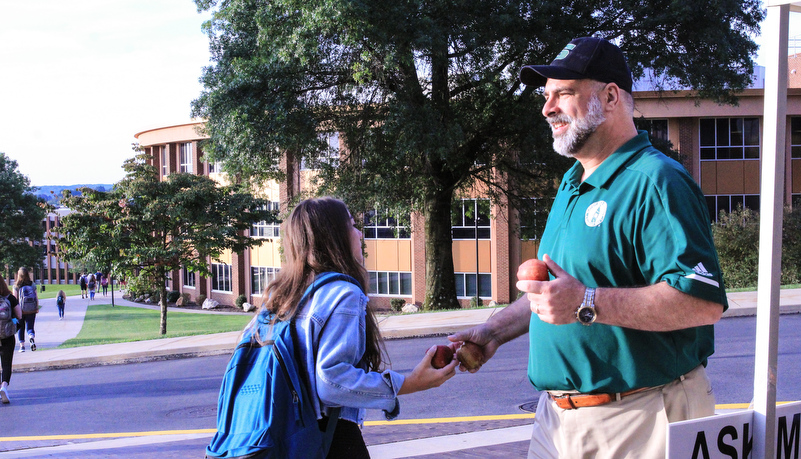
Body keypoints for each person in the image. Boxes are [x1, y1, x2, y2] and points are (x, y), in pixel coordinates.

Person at [449, 37, 728, 458]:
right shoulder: (572, 182)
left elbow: (701, 303)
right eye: (546, 96)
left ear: (611, 96)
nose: (547, 108)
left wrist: (587, 302)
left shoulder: (656, 181)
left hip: (638, 417)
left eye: (563, 93)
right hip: (555, 420)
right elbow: (560, 294)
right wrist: (494, 332)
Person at [259, 197, 456, 457]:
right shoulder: (342, 293)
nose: (359, 233)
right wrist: (409, 383)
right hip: (329, 439)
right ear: (335, 236)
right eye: (352, 225)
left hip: (282, 437)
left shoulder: (281, 296)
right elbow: (330, 381)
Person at [0, 274, 22, 404]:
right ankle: (4, 386)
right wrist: (12, 325)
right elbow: (19, 316)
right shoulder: (10, 298)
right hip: (7, 335)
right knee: (6, 363)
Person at [13, 267, 39, 353]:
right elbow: (36, 297)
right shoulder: (32, 284)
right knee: (30, 326)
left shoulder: (16, 286)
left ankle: (22, 346)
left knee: (21, 328)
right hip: (31, 309)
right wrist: (36, 307)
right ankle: (31, 338)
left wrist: (14, 312)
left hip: (20, 310)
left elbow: (15, 299)